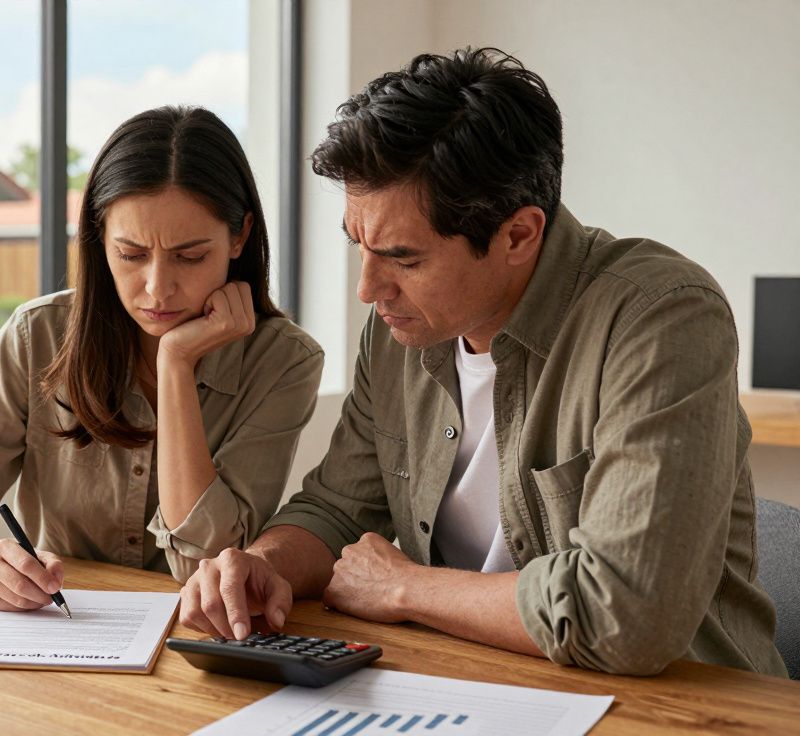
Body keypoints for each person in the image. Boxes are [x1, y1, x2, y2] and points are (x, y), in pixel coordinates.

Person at [178, 48, 788, 677]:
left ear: (519, 235)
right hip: (479, 683)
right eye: (356, 245)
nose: (368, 288)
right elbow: (337, 509)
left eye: (404, 258)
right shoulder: (400, 330)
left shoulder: (662, 318)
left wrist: (404, 587)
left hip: (684, 706)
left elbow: (625, 616)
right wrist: (264, 565)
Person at [0, 106, 324, 613]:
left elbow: (206, 560)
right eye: (131, 254)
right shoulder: (38, 336)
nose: (158, 287)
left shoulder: (283, 362)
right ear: (100, 240)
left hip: (201, 643)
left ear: (239, 236)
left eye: (189, 256)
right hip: (57, 635)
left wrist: (175, 365)